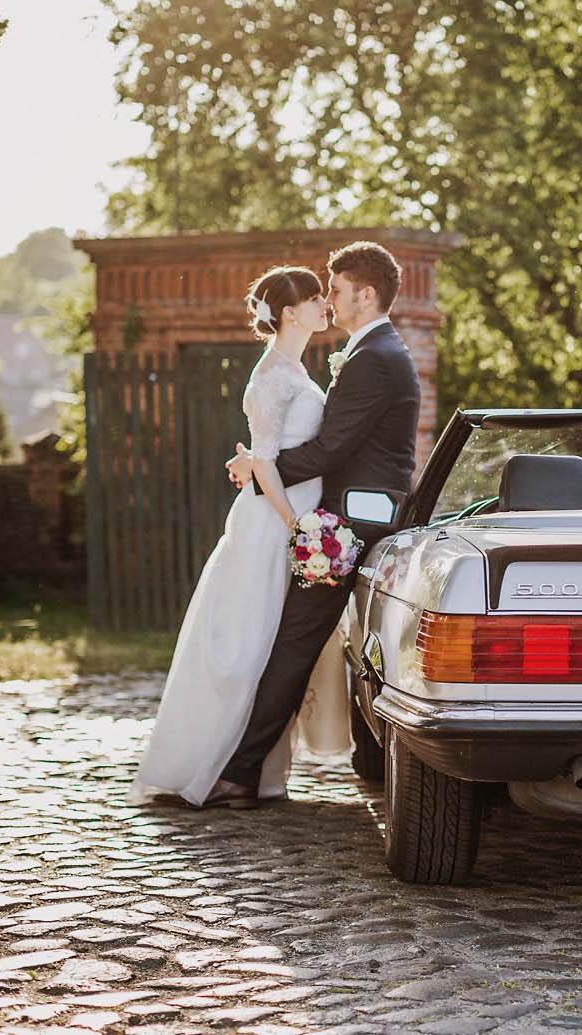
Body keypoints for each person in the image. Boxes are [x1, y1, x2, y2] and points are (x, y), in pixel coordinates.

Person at [207, 240, 421, 810]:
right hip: (347, 513)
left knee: (296, 640)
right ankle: (251, 767)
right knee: (313, 640)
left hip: (352, 521)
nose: (330, 298)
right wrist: (264, 468)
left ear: (366, 293)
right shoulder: (371, 351)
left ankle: (239, 773)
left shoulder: (376, 358)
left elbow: (331, 449)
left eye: (339, 289)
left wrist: (260, 469)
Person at [129, 265, 350, 807]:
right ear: (292, 311)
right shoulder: (272, 374)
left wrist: (252, 465)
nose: (326, 304)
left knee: (269, 641)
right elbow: (270, 461)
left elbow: (265, 454)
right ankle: (217, 765)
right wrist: (296, 526)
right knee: (248, 642)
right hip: (273, 524)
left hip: (286, 512)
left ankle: (253, 768)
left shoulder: (294, 370)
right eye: (317, 297)